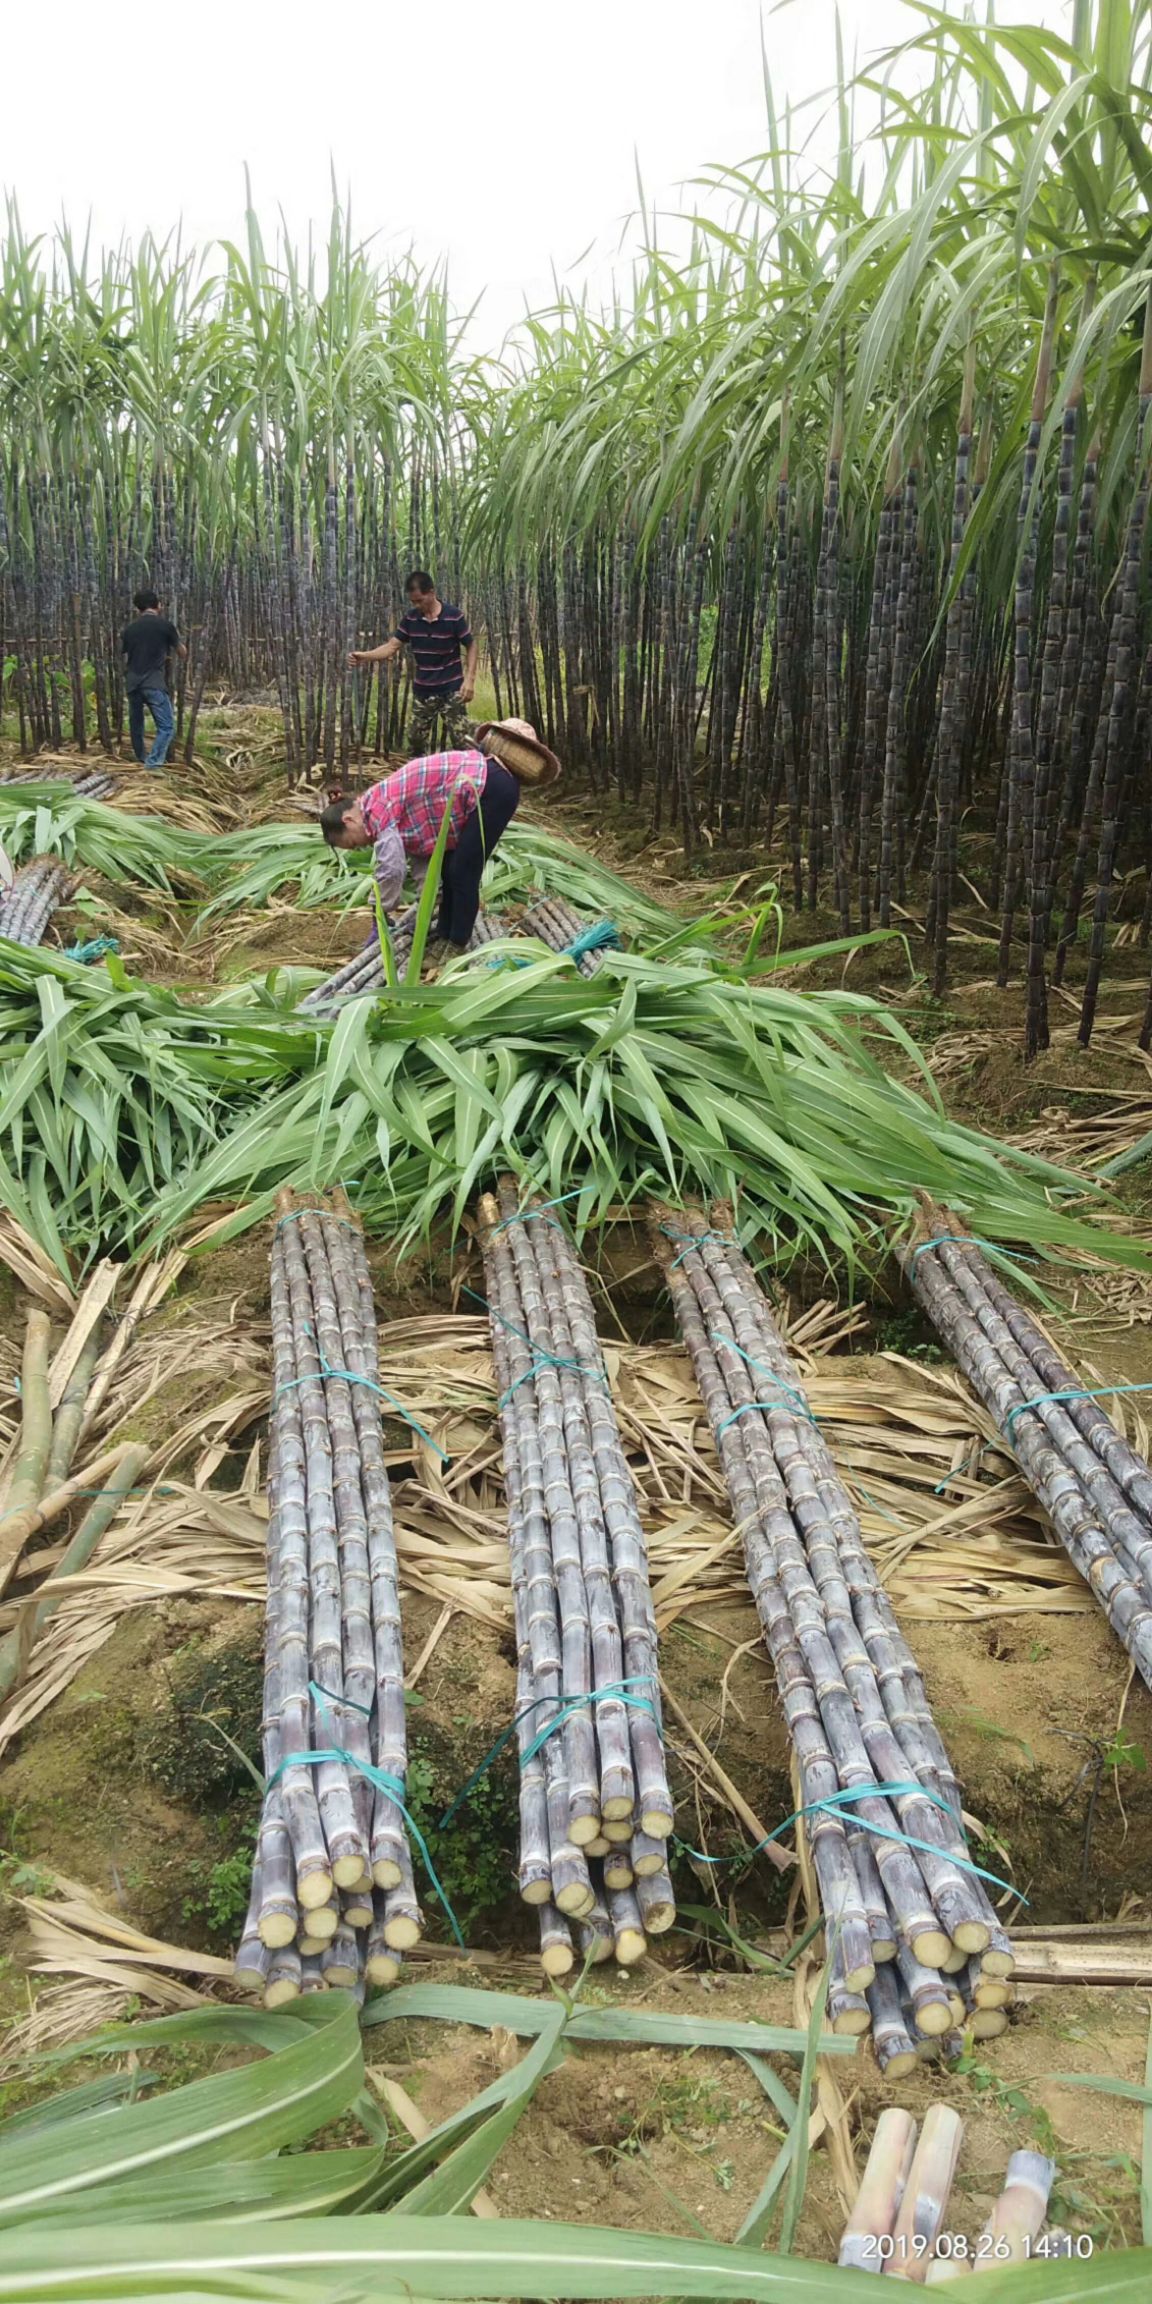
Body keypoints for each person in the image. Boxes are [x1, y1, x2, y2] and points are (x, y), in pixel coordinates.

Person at [321, 718, 560, 965]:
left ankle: (456, 943)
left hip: (491, 788)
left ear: (349, 820)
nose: (359, 847)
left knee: (462, 871)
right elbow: (425, 863)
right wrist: (425, 907)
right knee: (449, 870)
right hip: (486, 787)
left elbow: (392, 870)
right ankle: (444, 933)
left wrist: (379, 911)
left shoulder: (379, 810)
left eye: (351, 844)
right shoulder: (378, 809)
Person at [349, 572, 478, 755]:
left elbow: (471, 645)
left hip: (451, 688)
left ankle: (473, 776)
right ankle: (422, 777)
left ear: (431, 592)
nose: (417, 606)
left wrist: (470, 679)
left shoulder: (453, 616)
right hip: (424, 689)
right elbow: (392, 646)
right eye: (413, 602)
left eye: (419, 600)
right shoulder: (411, 619)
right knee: (415, 739)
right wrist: (365, 656)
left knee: (462, 739)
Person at [121, 590, 186, 769]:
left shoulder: (129, 629)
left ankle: (141, 757)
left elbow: (127, 655)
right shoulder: (165, 626)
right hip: (153, 682)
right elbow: (182, 652)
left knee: (136, 725)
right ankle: (153, 763)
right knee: (166, 727)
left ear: (137, 609)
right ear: (158, 606)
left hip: (133, 682)